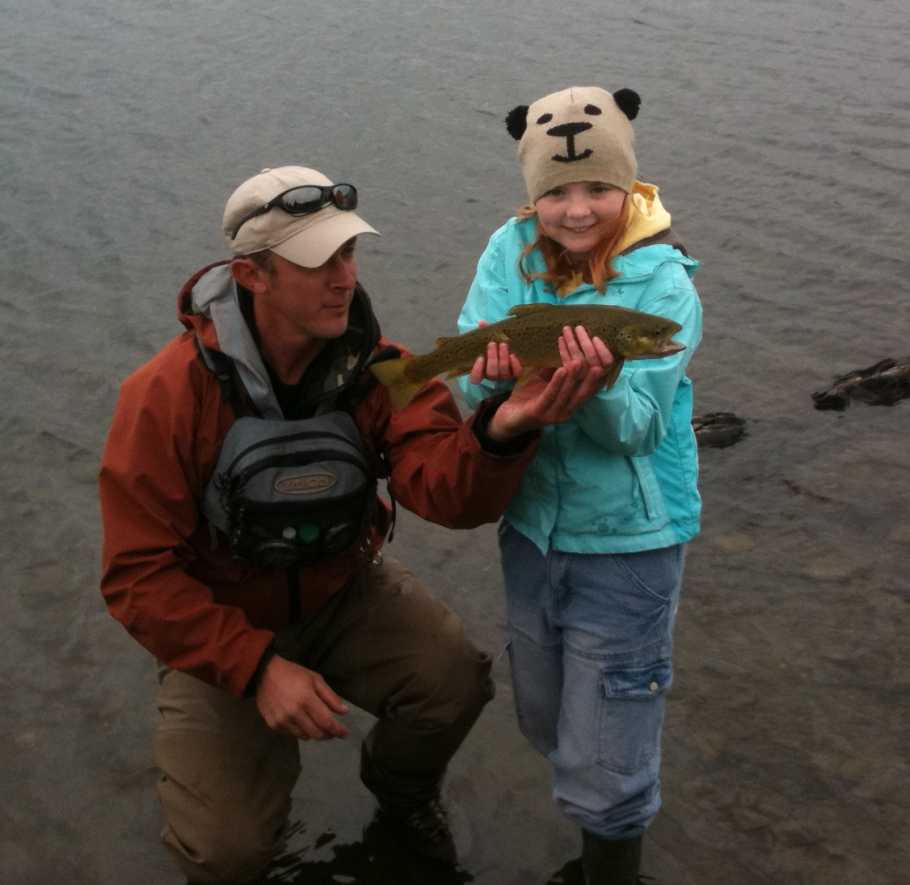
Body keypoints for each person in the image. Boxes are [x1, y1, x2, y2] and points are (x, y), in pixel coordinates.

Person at [98, 164, 610, 885]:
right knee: (225, 853)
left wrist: (503, 426)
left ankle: (399, 791)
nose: (346, 277)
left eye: (349, 253)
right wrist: (257, 668)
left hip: (343, 591)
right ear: (254, 274)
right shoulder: (163, 396)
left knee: (455, 681)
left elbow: (445, 491)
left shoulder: (381, 370)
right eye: (319, 262)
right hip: (220, 620)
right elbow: (136, 578)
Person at [457, 87, 703, 885]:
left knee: (609, 751)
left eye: (597, 187)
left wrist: (593, 387)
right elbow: (472, 386)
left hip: (629, 545)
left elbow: (638, 430)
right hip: (531, 531)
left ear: (628, 187)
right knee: (546, 714)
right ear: (533, 194)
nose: (575, 208)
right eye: (556, 191)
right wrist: (493, 392)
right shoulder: (508, 249)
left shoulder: (665, 291)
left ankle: (610, 863)